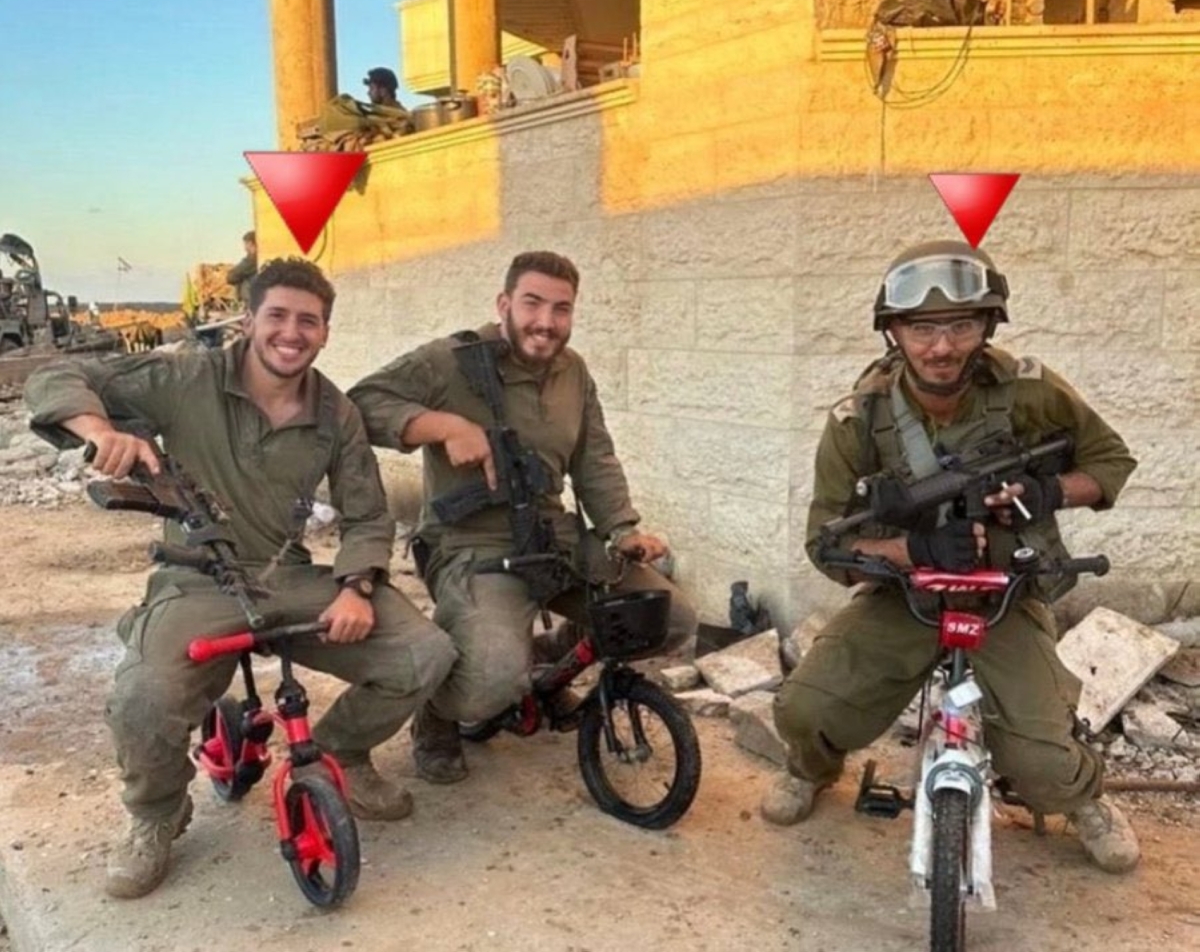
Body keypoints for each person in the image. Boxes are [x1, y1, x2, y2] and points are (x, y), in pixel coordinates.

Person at [24, 257, 456, 899]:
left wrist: (356, 585)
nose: (292, 332)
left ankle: (340, 753)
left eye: (308, 321)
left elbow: (367, 514)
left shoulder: (335, 413)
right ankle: (157, 814)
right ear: (249, 318)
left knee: (426, 653)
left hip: (288, 574)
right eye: (277, 315)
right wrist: (99, 429)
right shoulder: (184, 375)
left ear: (325, 332)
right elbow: (57, 373)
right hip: (196, 579)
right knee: (143, 697)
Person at [762, 240, 1141, 875]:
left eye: (961, 325)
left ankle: (1082, 798)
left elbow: (1110, 462)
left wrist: (1048, 491)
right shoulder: (859, 420)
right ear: (894, 332)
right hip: (903, 596)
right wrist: (912, 548)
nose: (942, 347)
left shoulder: (1031, 393)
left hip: (1005, 595)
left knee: (1046, 766)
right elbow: (826, 543)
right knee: (804, 710)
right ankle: (811, 769)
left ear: (987, 324)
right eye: (922, 328)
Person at [348, 250, 698, 784]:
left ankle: (547, 664)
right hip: (473, 545)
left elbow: (595, 458)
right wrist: (441, 424)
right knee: (489, 682)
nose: (546, 322)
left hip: (552, 536)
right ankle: (437, 716)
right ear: (505, 303)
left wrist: (622, 530)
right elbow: (362, 403)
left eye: (562, 309)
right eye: (533, 303)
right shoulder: (453, 360)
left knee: (669, 617)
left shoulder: (573, 372)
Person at [225, 230, 258, 306]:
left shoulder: (252, 260)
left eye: (245, 244)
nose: (245, 248)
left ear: (250, 243)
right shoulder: (259, 258)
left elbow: (231, 277)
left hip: (253, 301)